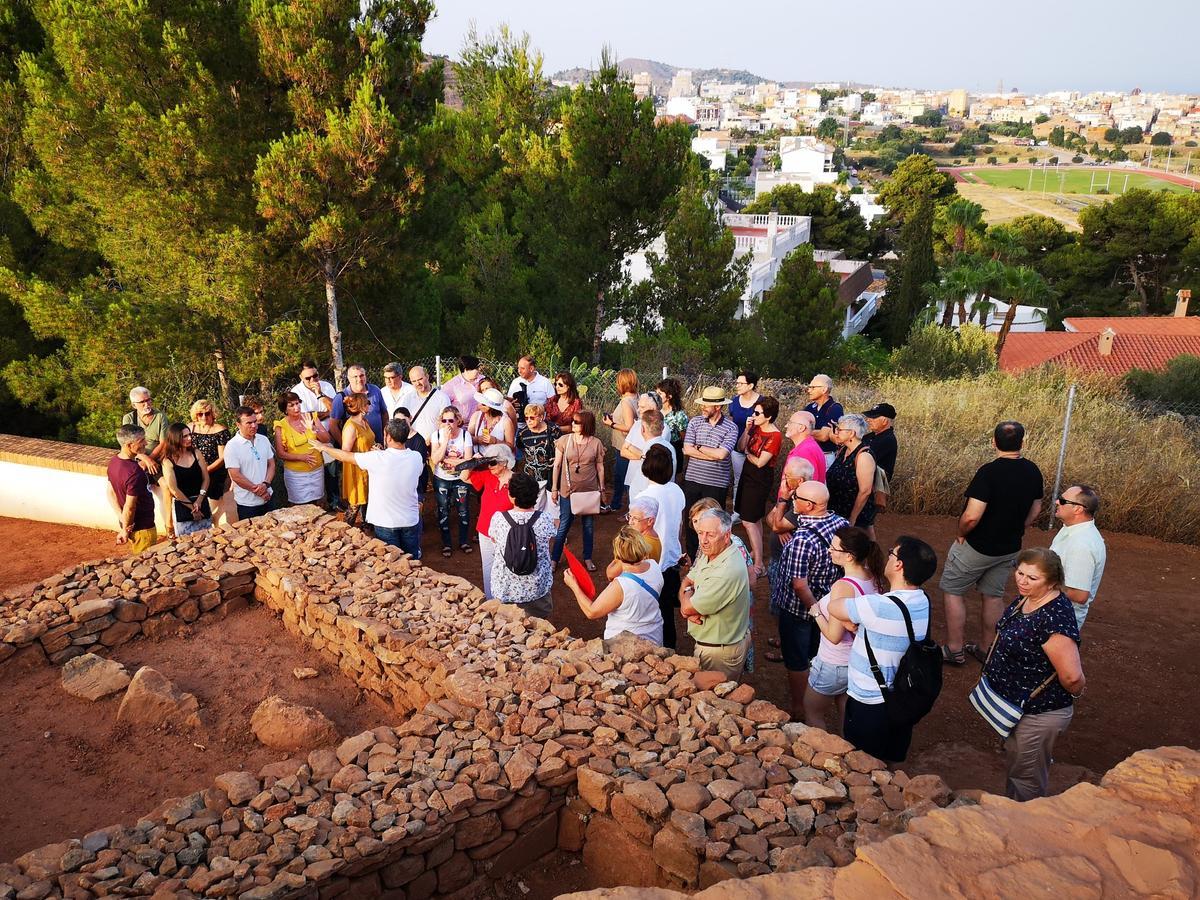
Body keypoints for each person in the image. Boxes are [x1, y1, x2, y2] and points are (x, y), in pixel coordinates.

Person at [980, 548, 1085, 801]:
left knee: (1026, 777)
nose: (1022, 581)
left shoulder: (1054, 617)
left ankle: (1022, 824)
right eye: (1020, 572)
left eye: (1032, 577)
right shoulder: (1027, 598)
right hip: (1019, 705)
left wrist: (1078, 690)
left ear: (1052, 581)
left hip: (1039, 712)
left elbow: (1071, 677)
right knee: (1020, 765)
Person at [941, 421, 1044, 666]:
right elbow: (1036, 509)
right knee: (993, 596)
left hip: (977, 546)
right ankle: (987, 649)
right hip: (1009, 546)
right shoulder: (1033, 470)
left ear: (994, 442)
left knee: (953, 591)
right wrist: (1018, 527)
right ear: (1023, 442)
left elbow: (972, 515)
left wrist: (962, 533)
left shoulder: (988, 472)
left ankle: (955, 649)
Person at [827, 535, 938, 764]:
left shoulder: (877, 605)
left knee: (862, 763)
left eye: (892, 553)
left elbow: (834, 607)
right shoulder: (923, 599)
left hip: (870, 701)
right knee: (888, 759)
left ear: (899, 565)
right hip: (901, 698)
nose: (887, 557)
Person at [771, 481, 849, 721]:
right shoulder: (842, 524)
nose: (793, 499)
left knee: (796, 661)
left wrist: (814, 611)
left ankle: (800, 707)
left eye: (797, 497)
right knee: (817, 654)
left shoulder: (802, 539)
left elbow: (799, 584)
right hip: (830, 604)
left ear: (809, 505)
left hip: (800, 609)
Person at [805, 527, 886, 731]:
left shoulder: (843, 587)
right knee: (845, 715)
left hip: (833, 663)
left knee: (812, 712)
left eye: (833, 548)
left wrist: (815, 612)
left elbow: (834, 636)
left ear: (849, 556)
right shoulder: (874, 577)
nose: (829, 551)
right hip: (857, 662)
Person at [322, 418, 424, 558]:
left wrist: (323, 448)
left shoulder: (377, 458)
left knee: (391, 563)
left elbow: (345, 456)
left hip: (385, 522)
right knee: (412, 560)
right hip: (410, 520)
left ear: (387, 437)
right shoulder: (416, 457)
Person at [680, 508, 751, 680]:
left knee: (715, 701)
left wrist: (686, 607)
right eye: (700, 533)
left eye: (710, 535)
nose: (703, 540)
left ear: (727, 536)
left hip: (719, 653)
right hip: (717, 645)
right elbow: (687, 582)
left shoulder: (725, 571)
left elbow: (689, 605)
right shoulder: (713, 551)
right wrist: (687, 598)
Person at [567, 525, 665, 645]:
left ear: (618, 554)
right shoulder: (654, 566)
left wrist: (574, 586)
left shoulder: (621, 585)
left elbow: (592, 612)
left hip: (624, 645)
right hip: (654, 638)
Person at [488, 472, 557, 619]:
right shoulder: (545, 519)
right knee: (539, 631)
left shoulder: (498, 519)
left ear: (512, 496)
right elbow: (548, 543)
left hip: (506, 589)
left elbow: (494, 541)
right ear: (535, 495)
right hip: (537, 589)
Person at [681, 386, 739, 559]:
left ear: (718, 407)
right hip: (692, 480)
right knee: (692, 521)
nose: (703, 407)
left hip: (716, 484)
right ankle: (693, 557)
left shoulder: (731, 427)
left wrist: (698, 448)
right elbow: (687, 450)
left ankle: (711, 556)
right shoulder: (695, 422)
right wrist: (710, 453)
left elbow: (721, 455)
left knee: (714, 522)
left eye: (706, 405)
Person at [640, 445, 686, 649]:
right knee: (667, 608)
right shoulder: (676, 490)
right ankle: (670, 645)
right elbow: (680, 524)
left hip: (652, 560)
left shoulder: (644, 496)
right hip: (671, 556)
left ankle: (661, 648)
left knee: (653, 610)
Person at [551, 410, 605, 572]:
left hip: (589, 490)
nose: (573, 424)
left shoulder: (596, 443)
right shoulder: (564, 441)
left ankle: (587, 558)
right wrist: (554, 488)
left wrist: (602, 489)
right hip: (568, 490)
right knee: (564, 524)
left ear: (586, 425)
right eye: (573, 421)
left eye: (577, 422)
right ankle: (554, 559)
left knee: (588, 526)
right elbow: (557, 465)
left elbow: (600, 467)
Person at [735, 396, 783, 576]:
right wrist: (747, 430)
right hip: (749, 474)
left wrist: (748, 454)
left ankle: (759, 564)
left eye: (757, 413)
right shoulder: (754, 428)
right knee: (754, 518)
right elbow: (741, 447)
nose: (753, 416)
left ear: (768, 416)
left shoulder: (775, 435)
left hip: (759, 478)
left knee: (748, 520)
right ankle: (758, 552)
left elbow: (761, 462)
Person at [462, 444, 516, 599]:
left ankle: (507, 600)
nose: (489, 466)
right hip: (485, 530)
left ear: (504, 462)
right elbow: (464, 477)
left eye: (492, 462)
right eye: (487, 462)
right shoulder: (487, 475)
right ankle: (491, 599)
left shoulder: (516, 481)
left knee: (506, 566)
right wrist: (472, 462)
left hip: (506, 534)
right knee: (488, 567)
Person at [1049, 485, 1107, 631]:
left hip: (1060, 619)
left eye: (1062, 501)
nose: (1057, 502)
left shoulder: (1082, 544)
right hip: (1053, 612)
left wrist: (1041, 586)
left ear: (1078, 509)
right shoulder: (1071, 529)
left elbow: (1079, 594)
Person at [107, 424, 159, 553]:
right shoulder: (135, 472)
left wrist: (122, 519)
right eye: (141, 441)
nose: (145, 443)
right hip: (143, 528)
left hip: (130, 525)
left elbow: (110, 492)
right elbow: (130, 507)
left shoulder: (113, 462)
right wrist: (125, 529)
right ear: (129, 445)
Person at [431, 405, 474, 558]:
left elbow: (468, 461)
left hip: (460, 479)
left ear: (458, 421)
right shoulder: (436, 435)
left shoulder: (465, 435)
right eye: (444, 420)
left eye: (451, 420)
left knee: (463, 511)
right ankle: (446, 543)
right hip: (442, 478)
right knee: (443, 511)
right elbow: (435, 459)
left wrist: (450, 460)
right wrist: (445, 442)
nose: (447, 423)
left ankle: (463, 541)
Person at [273, 391, 330, 506]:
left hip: (316, 470)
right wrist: (301, 457)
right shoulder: (281, 425)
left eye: (297, 403)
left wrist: (313, 428)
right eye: (291, 405)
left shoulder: (311, 417)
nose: (296, 407)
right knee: (299, 506)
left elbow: (326, 439)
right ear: (285, 409)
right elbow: (280, 453)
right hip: (296, 474)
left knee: (319, 503)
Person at [224, 405, 276, 521]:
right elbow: (235, 475)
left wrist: (266, 484)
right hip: (247, 504)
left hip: (268, 498)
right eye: (249, 423)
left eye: (255, 422)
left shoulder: (263, 439)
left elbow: (271, 464)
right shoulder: (232, 446)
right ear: (238, 424)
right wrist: (258, 491)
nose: (254, 426)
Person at [827, 414, 877, 532]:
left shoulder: (863, 456)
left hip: (855, 514)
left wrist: (852, 518)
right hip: (838, 509)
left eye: (839, 429)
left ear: (851, 433)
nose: (836, 432)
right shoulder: (843, 450)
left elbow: (865, 491)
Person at [160, 424, 212, 536]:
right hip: (182, 506)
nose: (189, 438)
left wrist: (199, 501)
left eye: (189, 435)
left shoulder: (196, 453)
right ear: (175, 438)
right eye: (184, 436)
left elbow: (206, 478)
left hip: (201, 503)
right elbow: (173, 489)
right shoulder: (167, 461)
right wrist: (193, 508)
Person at [189, 399, 235, 527]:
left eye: (207, 413)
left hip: (214, 470)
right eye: (200, 414)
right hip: (194, 469)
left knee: (213, 500)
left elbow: (222, 458)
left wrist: (206, 470)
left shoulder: (220, 430)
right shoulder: (190, 428)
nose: (204, 417)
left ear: (213, 413)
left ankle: (214, 524)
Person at [603, 368, 640, 514]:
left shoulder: (626, 401)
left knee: (623, 478)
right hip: (632, 445)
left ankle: (628, 510)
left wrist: (611, 424)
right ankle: (617, 504)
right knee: (625, 477)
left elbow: (629, 427)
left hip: (624, 444)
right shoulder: (637, 397)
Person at [728, 370, 762, 516]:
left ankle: (752, 511)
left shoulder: (761, 402)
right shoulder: (734, 401)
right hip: (737, 447)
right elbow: (731, 421)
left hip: (756, 448)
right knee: (738, 479)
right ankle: (737, 512)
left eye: (741, 383)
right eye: (737, 382)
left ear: (751, 385)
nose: (737, 385)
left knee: (754, 480)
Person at [622, 403, 673, 498]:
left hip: (645, 500)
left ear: (642, 429)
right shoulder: (669, 447)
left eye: (642, 406)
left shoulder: (653, 450)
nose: (638, 409)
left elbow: (644, 481)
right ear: (662, 428)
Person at [339, 393, 375, 525]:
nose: (369, 405)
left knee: (368, 502)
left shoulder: (364, 422)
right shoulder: (351, 427)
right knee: (355, 505)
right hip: (356, 471)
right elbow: (345, 452)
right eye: (367, 403)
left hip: (368, 468)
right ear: (361, 407)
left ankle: (368, 529)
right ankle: (344, 530)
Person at [607, 496, 662, 580]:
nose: (630, 522)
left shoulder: (638, 544)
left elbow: (611, 574)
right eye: (629, 516)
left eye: (635, 518)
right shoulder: (654, 537)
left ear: (650, 521)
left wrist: (617, 561)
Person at [330, 364, 386, 445]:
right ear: (349, 378)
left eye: (361, 375)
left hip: (379, 445)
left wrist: (385, 436)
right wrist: (345, 446)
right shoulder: (341, 397)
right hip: (357, 450)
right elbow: (333, 426)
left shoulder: (375, 390)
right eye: (355, 377)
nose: (359, 379)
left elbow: (384, 414)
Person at [121, 386, 168, 478]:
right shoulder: (129, 418)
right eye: (142, 402)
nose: (147, 404)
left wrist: (149, 459)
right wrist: (145, 459)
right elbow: (127, 444)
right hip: (136, 457)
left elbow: (163, 443)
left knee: (165, 484)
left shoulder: (160, 416)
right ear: (134, 405)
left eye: (148, 400)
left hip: (156, 457)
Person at [803, 374, 844, 466]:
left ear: (824, 389)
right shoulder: (809, 408)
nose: (809, 390)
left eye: (813, 387)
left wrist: (804, 431)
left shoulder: (835, 408)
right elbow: (797, 428)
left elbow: (823, 436)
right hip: (808, 455)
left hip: (825, 457)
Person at [516, 403, 560, 488]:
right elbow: (521, 449)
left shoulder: (553, 430)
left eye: (532, 418)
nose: (528, 420)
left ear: (541, 417)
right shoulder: (523, 433)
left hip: (551, 475)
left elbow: (562, 448)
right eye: (526, 418)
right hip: (531, 477)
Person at [405, 366, 450, 445]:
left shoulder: (442, 398)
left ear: (427, 376)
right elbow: (403, 421)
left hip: (435, 444)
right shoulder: (407, 399)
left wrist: (431, 439)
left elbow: (446, 423)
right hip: (413, 445)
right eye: (414, 381)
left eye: (420, 379)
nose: (417, 383)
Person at [782, 410, 826, 486]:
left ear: (801, 428)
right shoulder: (808, 446)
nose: (786, 425)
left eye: (790, 423)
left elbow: (806, 487)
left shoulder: (804, 452)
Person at [656, 377, 688, 471]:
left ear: (669, 396)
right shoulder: (656, 410)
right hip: (657, 449)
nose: (657, 396)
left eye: (660, 394)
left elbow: (684, 438)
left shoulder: (679, 415)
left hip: (673, 449)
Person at [442, 355, 485, 424]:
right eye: (476, 368)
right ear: (466, 369)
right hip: (462, 426)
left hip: (481, 423)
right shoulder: (452, 385)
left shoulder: (482, 380)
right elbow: (442, 405)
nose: (479, 370)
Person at [862, 403, 898, 481]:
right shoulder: (869, 436)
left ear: (884, 421)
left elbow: (865, 461)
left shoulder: (888, 440)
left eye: (873, 417)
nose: (868, 420)